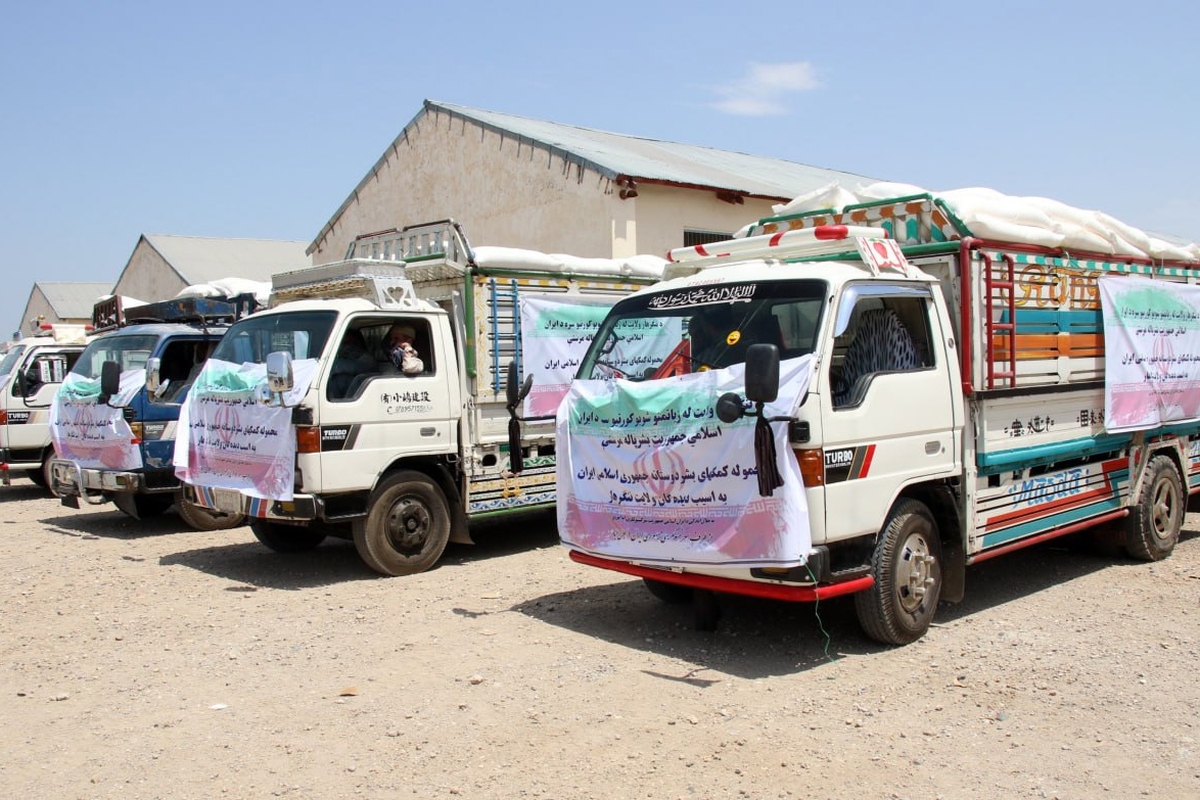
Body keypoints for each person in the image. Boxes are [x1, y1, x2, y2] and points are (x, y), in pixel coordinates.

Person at [329, 329, 378, 397]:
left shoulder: (367, 359)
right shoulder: (339, 357)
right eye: (345, 343)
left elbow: (359, 367)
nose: (347, 346)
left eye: (350, 342)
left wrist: (335, 366)